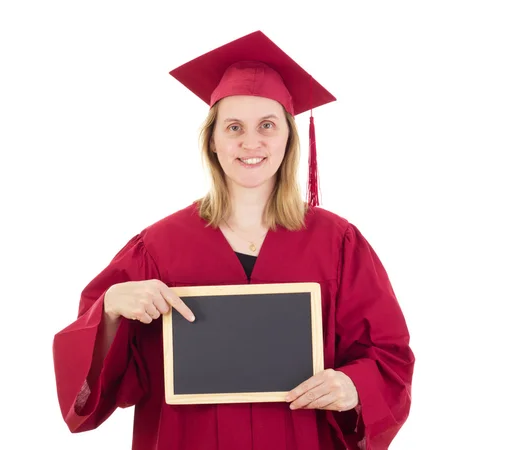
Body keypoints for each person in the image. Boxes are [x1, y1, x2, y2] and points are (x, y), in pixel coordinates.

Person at [52, 30, 415, 450]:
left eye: (267, 125)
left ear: (288, 138)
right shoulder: (158, 246)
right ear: (213, 139)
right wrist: (112, 308)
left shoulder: (337, 242)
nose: (250, 142)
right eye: (234, 127)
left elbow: (389, 355)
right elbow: (96, 383)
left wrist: (353, 385)